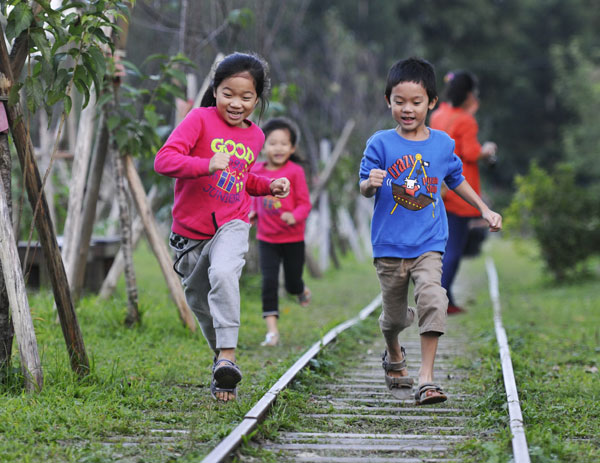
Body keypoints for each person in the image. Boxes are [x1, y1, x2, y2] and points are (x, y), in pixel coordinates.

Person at [358, 57, 502, 405]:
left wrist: (483, 208)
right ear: (388, 101)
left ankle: (426, 379)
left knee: (434, 297)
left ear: (432, 102)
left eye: (416, 102)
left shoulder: (441, 144)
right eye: (399, 101)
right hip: (390, 245)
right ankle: (394, 351)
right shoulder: (379, 143)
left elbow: (457, 179)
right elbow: (363, 185)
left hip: (428, 242)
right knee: (393, 318)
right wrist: (369, 184)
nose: (408, 109)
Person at [154, 52, 290, 402]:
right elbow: (163, 160)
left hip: (232, 221)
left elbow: (243, 178)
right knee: (199, 299)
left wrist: (267, 185)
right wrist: (205, 163)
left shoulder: (256, 136)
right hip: (190, 233)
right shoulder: (198, 120)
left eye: (247, 97)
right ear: (215, 90)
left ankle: (228, 355)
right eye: (229, 93)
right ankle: (222, 361)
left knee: (225, 273)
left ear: (257, 100)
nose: (237, 103)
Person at [430, 70, 498, 314]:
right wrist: (487, 150)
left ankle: (443, 297)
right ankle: (441, 301)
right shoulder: (465, 120)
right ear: (469, 94)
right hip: (460, 189)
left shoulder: (438, 115)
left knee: (443, 245)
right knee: (454, 248)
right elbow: (470, 153)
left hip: (439, 188)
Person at [249, 117, 312, 347]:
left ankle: (300, 289)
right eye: (272, 143)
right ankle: (272, 332)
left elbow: (305, 203)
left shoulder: (294, 172)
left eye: (283, 143)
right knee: (268, 282)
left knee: (292, 283)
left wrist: (294, 215)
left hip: (293, 237)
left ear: (292, 148)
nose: (277, 148)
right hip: (266, 238)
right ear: (263, 147)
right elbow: (253, 194)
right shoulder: (256, 169)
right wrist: (252, 212)